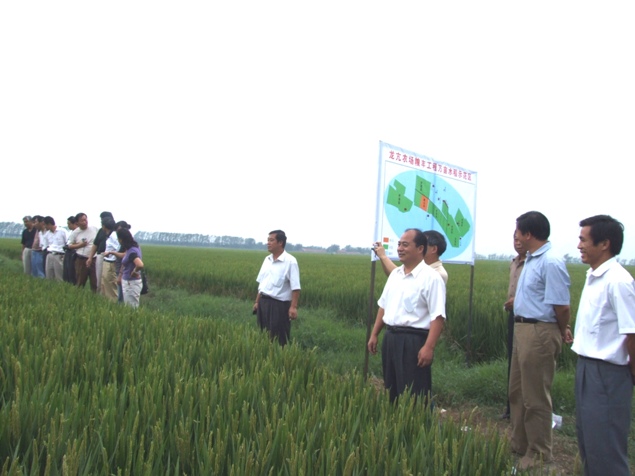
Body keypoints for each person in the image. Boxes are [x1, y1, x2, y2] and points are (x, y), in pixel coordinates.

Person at [571, 215, 635, 476]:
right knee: (589, 442)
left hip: (608, 374)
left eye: (583, 240)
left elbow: (632, 332)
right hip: (586, 368)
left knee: (606, 447)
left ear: (605, 243)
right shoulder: (593, 276)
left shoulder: (618, 281)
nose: (579, 246)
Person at [509, 211, 572, 470]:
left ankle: (539, 453)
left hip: (539, 331)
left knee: (535, 396)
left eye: (518, 232)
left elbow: (562, 306)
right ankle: (520, 444)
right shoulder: (532, 259)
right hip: (523, 328)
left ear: (528, 233)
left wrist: (562, 329)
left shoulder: (551, 262)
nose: (516, 237)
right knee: (517, 391)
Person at [367, 228, 446, 403]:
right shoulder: (395, 275)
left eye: (405, 245)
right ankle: (394, 418)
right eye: (399, 244)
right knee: (392, 389)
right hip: (391, 337)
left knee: (414, 393)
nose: (400, 249)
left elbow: (438, 317)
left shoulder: (432, 278)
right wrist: (374, 334)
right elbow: (383, 306)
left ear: (420, 248)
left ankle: (417, 420)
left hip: (413, 341)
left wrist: (429, 347)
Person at [252, 230, 301, 346]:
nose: (268, 243)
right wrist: (257, 302)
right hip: (263, 303)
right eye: (268, 240)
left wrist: (293, 307)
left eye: (271, 240)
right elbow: (262, 283)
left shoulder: (290, 261)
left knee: (279, 339)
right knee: (263, 336)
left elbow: (296, 287)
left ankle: (281, 356)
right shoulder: (267, 260)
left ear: (280, 242)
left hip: (279, 306)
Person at [501, 234, 526, 419]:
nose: (517, 242)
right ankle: (511, 408)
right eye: (514, 239)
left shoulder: (532, 264)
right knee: (513, 360)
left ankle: (524, 409)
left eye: (520, 238)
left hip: (529, 319)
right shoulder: (514, 263)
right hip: (514, 315)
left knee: (526, 363)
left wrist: (517, 301)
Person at [373, 230, 449, 284]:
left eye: (424, 245)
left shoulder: (439, 274)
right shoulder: (416, 265)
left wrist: (383, 256)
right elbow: (394, 275)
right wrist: (382, 257)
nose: (421, 248)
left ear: (434, 249)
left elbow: (402, 280)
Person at [67, 213, 98, 291]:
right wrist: (80, 245)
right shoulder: (75, 232)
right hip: (81, 259)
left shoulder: (94, 229)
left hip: (93, 259)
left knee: (94, 282)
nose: (84, 222)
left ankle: (94, 296)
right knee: (80, 281)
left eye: (85, 220)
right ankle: (79, 296)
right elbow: (69, 245)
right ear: (77, 223)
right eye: (82, 221)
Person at [115, 228, 144, 308]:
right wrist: (113, 253)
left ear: (121, 239)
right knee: (129, 307)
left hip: (131, 283)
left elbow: (140, 264)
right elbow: (126, 257)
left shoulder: (132, 251)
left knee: (131, 308)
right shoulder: (133, 247)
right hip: (129, 282)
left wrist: (134, 271)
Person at [86, 211, 115, 292]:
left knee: (108, 279)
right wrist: (90, 257)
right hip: (100, 255)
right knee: (99, 278)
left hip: (111, 257)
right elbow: (95, 244)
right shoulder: (101, 231)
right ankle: (100, 294)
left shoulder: (115, 232)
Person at [98, 218, 119, 301]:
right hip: (106, 262)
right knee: (104, 285)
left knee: (110, 286)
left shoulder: (114, 236)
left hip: (111, 263)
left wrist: (110, 253)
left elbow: (119, 248)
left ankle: (113, 303)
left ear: (104, 226)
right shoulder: (110, 235)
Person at [42, 216, 67, 281]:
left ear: (49, 224)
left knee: (59, 276)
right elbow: (45, 246)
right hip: (50, 255)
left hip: (59, 255)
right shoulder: (47, 234)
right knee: (49, 275)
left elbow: (68, 243)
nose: (44, 227)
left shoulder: (62, 231)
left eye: (45, 225)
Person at [63, 216, 78, 284]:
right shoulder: (70, 232)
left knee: (72, 272)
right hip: (68, 252)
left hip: (74, 253)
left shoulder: (78, 232)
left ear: (74, 223)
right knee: (67, 272)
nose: (68, 225)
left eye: (69, 224)